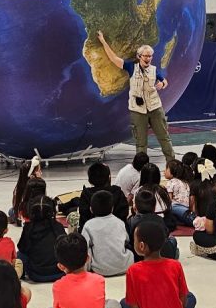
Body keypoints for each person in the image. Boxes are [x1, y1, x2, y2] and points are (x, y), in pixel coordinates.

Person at [97, 30, 175, 163]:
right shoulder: (131, 67)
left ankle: (172, 164)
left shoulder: (154, 70)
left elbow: (164, 81)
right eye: (145, 56)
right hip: (138, 110)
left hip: (155, 108)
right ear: (139, 56)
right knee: (141, 142)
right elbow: (114, 58)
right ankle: (142, 168)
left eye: (150, 56)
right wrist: (103, 41)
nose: (148, 58)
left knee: (164, 137)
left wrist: (162, 84)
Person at [44, 233, 120, 308]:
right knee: (114, 303)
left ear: (60, 266)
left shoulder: (58, 286)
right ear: (87, 258)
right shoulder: (99, 279)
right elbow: (101, 305)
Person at [121, 220, 195, 308]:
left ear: (141, 246)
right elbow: (183, 297)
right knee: (191, 297)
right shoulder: (175, 265)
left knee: (124, 303)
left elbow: (134, 306)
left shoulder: (133, 270)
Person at [82, 190, 133, 276]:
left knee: (87, 248)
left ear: (91, 209)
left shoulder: (88, 225)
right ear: (112, 208)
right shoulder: (119, 222)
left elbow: (84, 245)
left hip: (100, 269)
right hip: (124, 266)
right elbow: (126, 240)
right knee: (129, 249)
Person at [17, 196, 65, 282]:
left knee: (19, 254)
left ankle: (21, 274)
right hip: (59, 272)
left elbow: (22, 248)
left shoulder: (29, 228)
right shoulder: (58, 226)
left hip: (36, 275)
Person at [75, 161, 130, 232]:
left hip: (92, 232)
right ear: (108, 177)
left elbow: (83, 219)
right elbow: (123, 215)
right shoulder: (118, 192)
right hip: (117, 231)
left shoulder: (86, 194)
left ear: (89, 180)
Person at [127, 189, 179, 260]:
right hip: (159, 255)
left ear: (135, 208)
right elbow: (166, 234)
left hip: (138, 256)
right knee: (172, 239)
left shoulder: (131, 221)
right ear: (154, 208)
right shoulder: (159, 219)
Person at [10, 157, 42, 226]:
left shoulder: (18, 188)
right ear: (32, 176)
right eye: (39, 171)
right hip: (28, 217)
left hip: (20, 215)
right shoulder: (37, 188)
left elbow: (15, 205)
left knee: (11, 211)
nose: (41, 173)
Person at [165, 159, 194, 225]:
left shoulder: (170, 182)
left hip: (175, 207)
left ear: (172, 171)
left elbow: (169, 200)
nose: (164, 171)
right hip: (186, 208)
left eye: (166, 169)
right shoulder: (185, 182)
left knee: (169, 207)